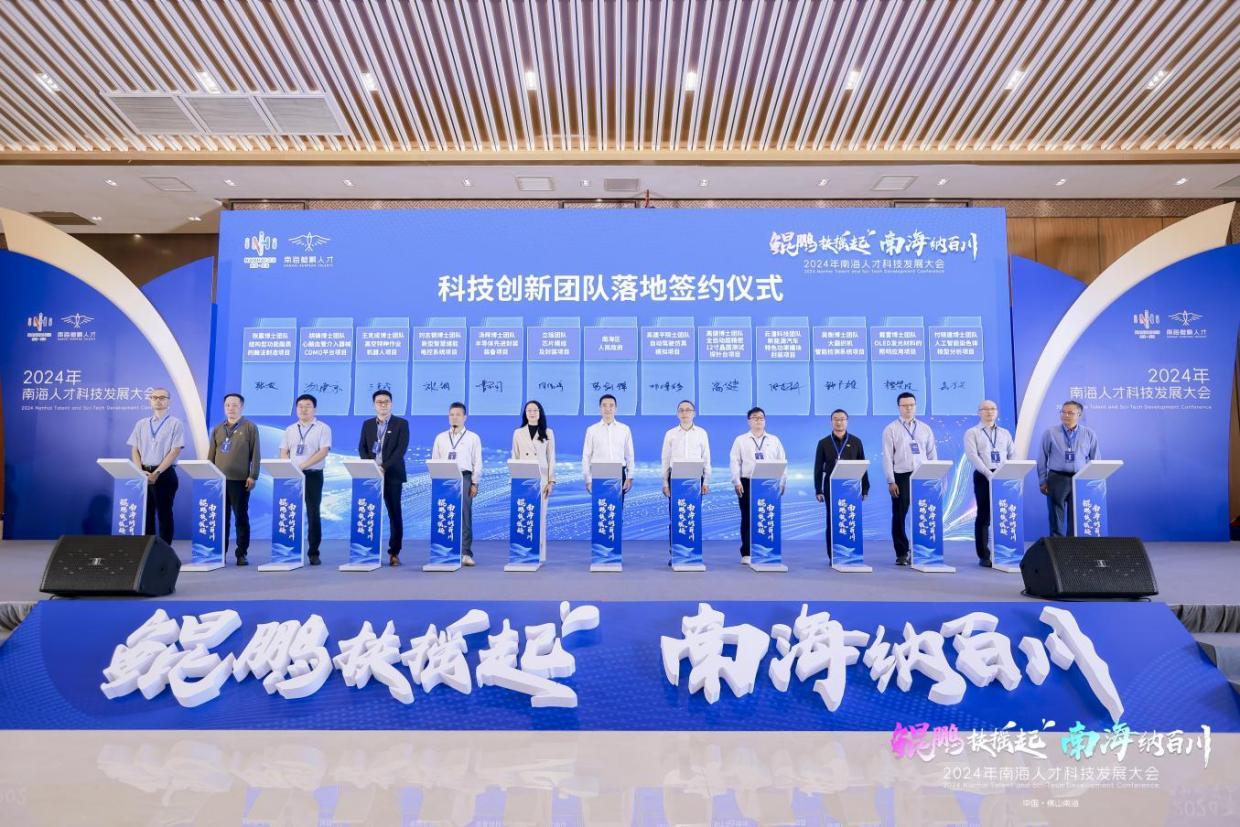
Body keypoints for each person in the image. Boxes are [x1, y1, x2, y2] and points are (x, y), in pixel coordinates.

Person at [881, 392, 937, 566]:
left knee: (924, 513)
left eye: (911, 405)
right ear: (899, 407)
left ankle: (923, 550)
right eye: (905, 405)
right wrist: (891, 480)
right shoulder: (891, 429)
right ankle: (902, 552)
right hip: (901, 476)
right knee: (899, 515)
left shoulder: (925, 428)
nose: (908, 408)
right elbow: (887, 457)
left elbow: (931, 453)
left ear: (915, 406)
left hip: (923, 475)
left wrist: (934, 475)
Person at [729, 406, 787, 565]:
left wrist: (782, 481)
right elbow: (734, 462)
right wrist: (736, 481)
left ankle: (768, 549)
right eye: (754, 418)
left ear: (765, 420)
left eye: (761, 418)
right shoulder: (741, 440)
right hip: (747, 482)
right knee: (747, 517)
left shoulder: (774, 440)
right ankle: (747, 552)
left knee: (767, 515)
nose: (758, 420)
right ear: (749, 421)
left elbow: (782, 461)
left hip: (769, 483)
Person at [126, 386, 184, 545]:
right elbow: (135, 449)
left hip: (164, 474)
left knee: (164, 514)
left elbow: (175, 450)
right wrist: (140, 471)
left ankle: (165, 550)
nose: (158, 400)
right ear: (150, 401)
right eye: (154, 397)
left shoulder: (175, 423)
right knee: (146, 514)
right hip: (143, 473)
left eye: (162, 398)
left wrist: (157, 472)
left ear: (169, 401)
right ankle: (148, 548)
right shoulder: (141, 424)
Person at [207, 392, 260, 566]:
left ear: (241, 407)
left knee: (240, 518)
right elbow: (211, 455)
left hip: (240, 481)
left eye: (235, 405)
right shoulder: (217, 429)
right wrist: (209, 475)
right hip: (219, 482)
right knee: (221, 519)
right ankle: (220, 553)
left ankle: (241, 553)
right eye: (228, 405)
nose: (231, 408)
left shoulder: (250, 427)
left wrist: (253, 475)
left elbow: (256, 454)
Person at [280, 393, 332, 566]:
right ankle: (287, 550)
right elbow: (283, 451)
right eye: (300, 406)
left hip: (312, 475)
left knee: (312, 512)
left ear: (314, 409)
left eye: (308, 406)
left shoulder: (323, 428)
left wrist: (302, 466)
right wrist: (287, 467)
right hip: (291, 475)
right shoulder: (290, 429)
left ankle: (313, 552)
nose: (303, 409)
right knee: (289, 511)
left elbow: (323, 451)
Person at [359, 390, 409, 566]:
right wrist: (372, 467)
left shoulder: (401, 424)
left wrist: (384, 467)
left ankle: (394, 552)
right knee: (367, 512)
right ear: (374, 405)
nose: (383, 405)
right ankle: (367, 550)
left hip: (392, 475)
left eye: (386, 401)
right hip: (371, 476)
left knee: (394, 514)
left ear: (391, 404)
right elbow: (362, 448)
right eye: (379, 402)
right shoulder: (367, 424)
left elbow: (400, 451)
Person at [813, 408, 870, 561]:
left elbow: (863, 465)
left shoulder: (856, 442)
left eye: (842, 419)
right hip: (831, 487)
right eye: (836, 419)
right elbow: (818, 468)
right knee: (833, 519)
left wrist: (865, 488)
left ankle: (852, 552)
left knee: (850, 518)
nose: (839, 422)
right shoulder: (824, 443)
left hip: (852, 488)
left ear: (847, 421)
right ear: (831, 422)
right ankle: (833, 555)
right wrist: (818, 489)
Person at [964, 400, 1015, 567]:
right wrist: (987, 473)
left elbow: (1012, 454)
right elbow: (972, 456)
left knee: (1004, 513)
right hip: (983, 475)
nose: (989, 412)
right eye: (985, 409)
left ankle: (1005, 552)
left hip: (1003, 476)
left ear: (997, 412)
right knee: (984, 515)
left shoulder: (1005, 433)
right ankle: (984, 555)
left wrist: (1010, 472)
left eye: (993, 409)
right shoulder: (972, 432)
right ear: (979, 412)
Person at [1037, 400, 1099, 536]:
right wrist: (1042, 480)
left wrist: (1093, 482)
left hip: (1080, 478)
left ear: (1079, 415)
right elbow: (1042, 458)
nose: (1065, 415)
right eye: (1063, 412)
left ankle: (1072, 546)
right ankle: (1056, 547)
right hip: (1056, 478)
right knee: (1056, 515)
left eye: (1070, 413)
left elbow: (1095, 460)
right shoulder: (1050, 433)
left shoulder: (1089, 434)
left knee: (1077, 516)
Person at [431, 401, 483, 566]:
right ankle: (443, 550)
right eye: (452, 414)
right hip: (444, 479)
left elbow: (477, 462)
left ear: (464, 417)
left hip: (464, 477)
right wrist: (436, 480)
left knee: (465, 515)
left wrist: (475, 483)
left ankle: (465, 553)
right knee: (444, 513)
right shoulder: (440, 438)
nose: (454, 417)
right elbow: (435, 459)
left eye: (458, 414)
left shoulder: (473, 437)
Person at [661, 399, 711, 562]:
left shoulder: (701, 433)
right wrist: (665, 482)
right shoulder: (670, 433)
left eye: (688, 410)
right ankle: (676, 554)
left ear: (694, 413)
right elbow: (665, 459)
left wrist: (706, 481)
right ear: (677, 414)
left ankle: (694, 553)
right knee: (676, 516)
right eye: (681, 410)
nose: (684, 413)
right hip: (675, 478)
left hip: (696, 479)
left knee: (693, 515)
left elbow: (706, 458)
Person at [511, 399, 556, 560]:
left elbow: (551, 458)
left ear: (540, 413)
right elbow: (514, 456)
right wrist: (513, 481)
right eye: (529, 410)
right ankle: (523, 553)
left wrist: (551, 481)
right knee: (523, 516)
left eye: (535, 410)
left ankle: (540, 555)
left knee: (540, 518)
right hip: (523, 480)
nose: (532, 413)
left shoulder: (548, 432)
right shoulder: (518, 433)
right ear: (525, 413)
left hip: (542, 481)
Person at [582, 393, 635, 496]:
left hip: (619, 473)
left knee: (617, 506)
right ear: (600, 408)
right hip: (598, 473)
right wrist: (588, 479)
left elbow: (630, 455)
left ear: (616, 408)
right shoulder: (592, 430)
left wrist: (630, 477)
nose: (608, 409)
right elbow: (586, 456)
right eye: (604, 405)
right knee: (601, 505)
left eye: (611, 405)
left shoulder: (624, 429)